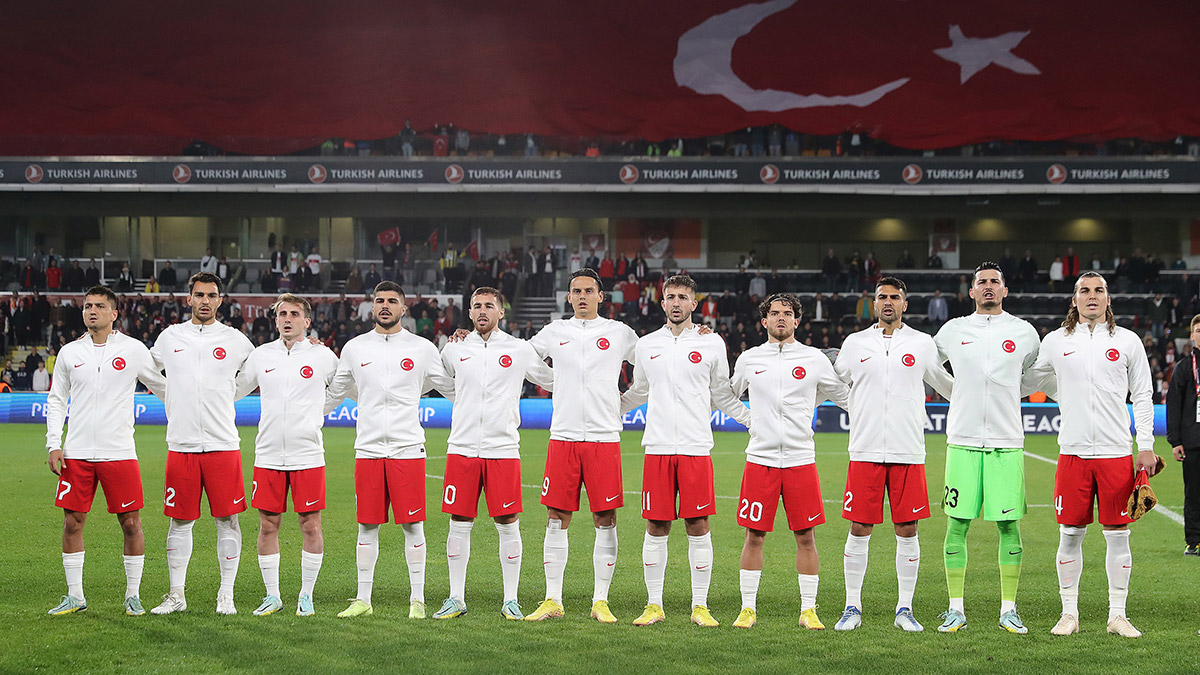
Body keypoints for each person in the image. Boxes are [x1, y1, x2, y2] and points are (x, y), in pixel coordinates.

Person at [1024, 271, 1156, 638]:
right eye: (1085, 291)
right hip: (1073, 453)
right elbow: (1030, 381)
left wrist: (1144, 445)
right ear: (1074, 299)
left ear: (1108, 298)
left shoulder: (1128, 342)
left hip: (1116, 453)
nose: (1092, 296)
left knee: (1118, 535)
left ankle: (1118, 615)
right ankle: (1070, 614)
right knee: (1069, 535)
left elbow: (1142, 395)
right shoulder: (1055, 341)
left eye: (1099, 290)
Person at [620, 274, 752, 627]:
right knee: (656, 524)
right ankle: (653, 605)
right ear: (662, 303)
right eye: (670, 296)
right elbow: (638, 391)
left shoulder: (712, 343)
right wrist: (606, 408)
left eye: (683, 297)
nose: (676, 302)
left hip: (695, 447)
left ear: (695, 304)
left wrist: (752, 420)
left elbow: (721, 393)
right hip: (658, 447)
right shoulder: (646, 345)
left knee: (698, 524)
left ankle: (700, 605)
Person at [324, 281, 455, 620]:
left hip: (407, 448)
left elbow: (448, 387)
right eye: (379, 300)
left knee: (413, 526)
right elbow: (335, 392)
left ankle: (418, 600)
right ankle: (363, 599)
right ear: (372, 307)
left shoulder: (423, 348)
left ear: (403, 308)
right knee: (367, 526)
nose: (385, 306)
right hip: (367, 449)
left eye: (391, 301)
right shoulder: (354, 348)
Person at [832, 278, 954, 633]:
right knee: (859, 527)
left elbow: (947, 387)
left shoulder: (922, 344)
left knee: (907, 528)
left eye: (894, 297)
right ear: (874, 304)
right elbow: (834, 382)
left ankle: (905, 608)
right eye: (882, 297)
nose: (888, 302)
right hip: (865, 449)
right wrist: (856, 407)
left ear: (905, 304)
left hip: (908, 450)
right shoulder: (855, 344)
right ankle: (852, 605)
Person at [727, 293, 849, 630]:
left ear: (798, 320)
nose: (781, 318)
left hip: (800, 460)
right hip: (760, 460)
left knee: (806, 537)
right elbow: (726, 394)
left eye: (788, 313)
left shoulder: (813, 359)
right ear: (763, 321)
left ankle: (808, 610)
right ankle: (747, 608)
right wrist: (750, 420)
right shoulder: (750, 358)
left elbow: (845, 398)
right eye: (774, 313)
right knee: (754, 536)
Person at [523, 268, 638, 624]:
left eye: (589, 290)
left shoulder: (619, 333)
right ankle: (552, 599)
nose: (583, 296)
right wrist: (556, 382)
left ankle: (600, 600)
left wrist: (622, 402)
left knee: (606, 517)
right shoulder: (556, 331)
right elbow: (523, 359)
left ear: (601, 297)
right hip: (564, 436)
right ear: (569, 297)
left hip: (604, 438)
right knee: (557, 517)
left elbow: (652, 365)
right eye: (577, 291)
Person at [432, 287, 554, 621]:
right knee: (459, 521)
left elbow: (553, 380)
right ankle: (456, 597)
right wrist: (463, 400)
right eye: (476, 306)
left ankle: (511, 599)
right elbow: (437, 379)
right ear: (469, 313)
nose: (482, 310)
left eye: (489, 306)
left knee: (507, 521)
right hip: (462, 448)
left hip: (503, 448)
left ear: (501, 312)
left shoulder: (518, 349)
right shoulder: (455, 348)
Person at [44, 285, 165, 616]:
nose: (91, 311)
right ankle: (75, 596)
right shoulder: (70, 353)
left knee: (130, 523)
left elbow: (163, 387)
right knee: (72, 522)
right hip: (77, 452)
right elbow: (56, 400)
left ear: (114, 314)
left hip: (120, 451)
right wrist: (54, 443)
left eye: (99, 306)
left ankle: (133, 595)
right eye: (87, 306)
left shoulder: (133, 349)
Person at [932, 262, 1040, 633]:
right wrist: (957, 393)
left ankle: (1008, 609)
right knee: (956, 524)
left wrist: (1008, 392)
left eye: (995, 281)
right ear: (972, 292)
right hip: (961, 440)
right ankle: (955, 609)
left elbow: (1035, 375)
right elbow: (931, 369)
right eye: (982, 282)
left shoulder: (1024, 332)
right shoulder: (952, 331)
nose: (989, 287)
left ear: (1005, 291)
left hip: (1006, 441)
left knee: (1009, 525)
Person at [149, 272, 255, 616]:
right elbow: (146, 369)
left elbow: (262, 370)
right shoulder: (170, 337)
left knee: (228, 521)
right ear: (189, 299)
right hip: (181, 444)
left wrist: (228, 395)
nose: (205, 301)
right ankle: (176, 595)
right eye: (199, 295)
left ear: (220, 300)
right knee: (180, 521)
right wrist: (171, 396)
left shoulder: (235, 339)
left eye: (211, 295)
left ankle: (226, 595)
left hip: (223, 444)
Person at [233, 294, 339, 617]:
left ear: (307, 322)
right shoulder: (261, 355)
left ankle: (306, 595)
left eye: (295, 314)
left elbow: (343, 388)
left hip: (308, 454)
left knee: (311, 526)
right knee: (267, 526)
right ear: (276, 320)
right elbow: (234, 390)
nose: (288, 319)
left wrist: (315, 416)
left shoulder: (323, 357)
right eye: (283, 314)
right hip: (267, 455)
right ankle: (272, 595)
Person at [1167, 314, 1200, 556]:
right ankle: (1195, 540)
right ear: (1192, 336)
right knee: (1194, 493)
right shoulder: (1184, 367)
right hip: (1194, 440)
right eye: (1198, 330)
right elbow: (1174, 404)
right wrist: (1175, 441)